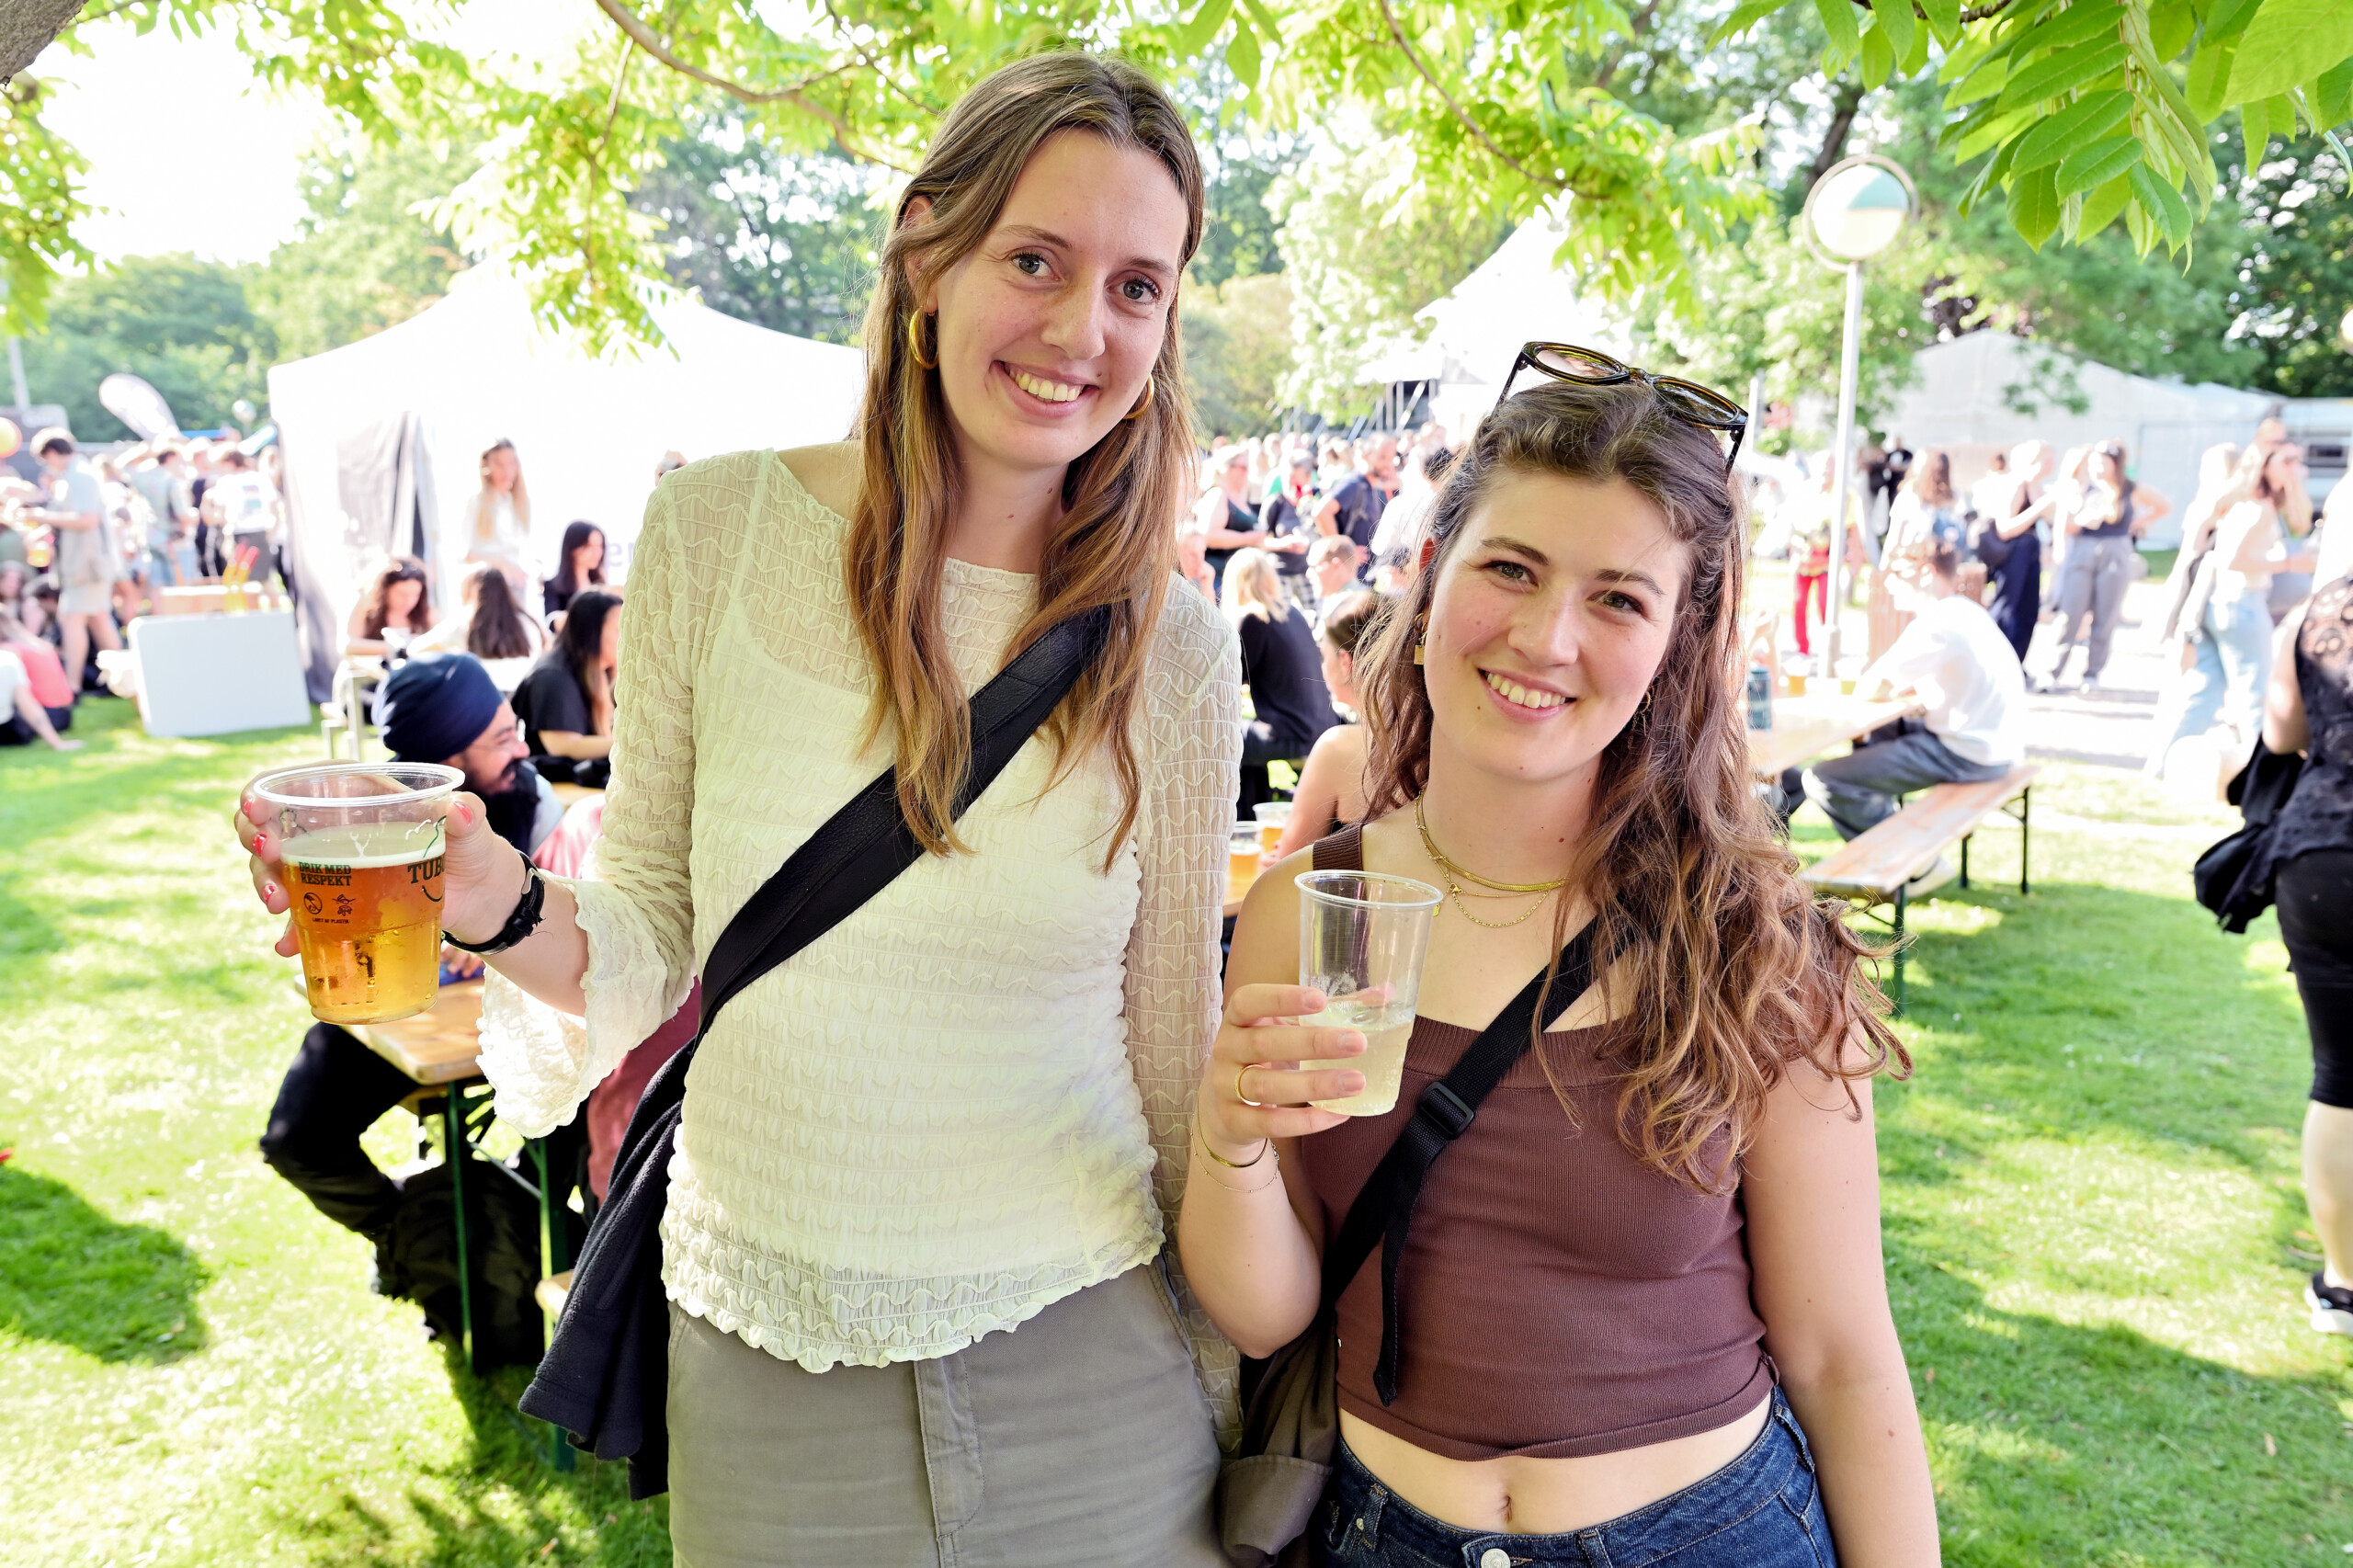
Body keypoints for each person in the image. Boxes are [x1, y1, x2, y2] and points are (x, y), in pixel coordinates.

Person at [239, 54, 1241, 1564]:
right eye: (1033, 259)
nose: (1079, 329)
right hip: (766, 1365)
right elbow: (647, 937)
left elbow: (1176, 1045)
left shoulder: (1176, 648)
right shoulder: (717, 529)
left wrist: (1219, 1381)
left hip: (1088, 1360)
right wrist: (487, 900)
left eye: (1136, 287)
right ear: (925, 254)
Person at [1180, 373, 1938, 1567]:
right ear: (1431, 568)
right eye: (1512, 568)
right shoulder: (1307, 908)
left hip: (1707, 1536)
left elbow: (1843, 1352)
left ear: (1677, 638)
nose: (1547, 637)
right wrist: (1226, 1139)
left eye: (1619, 597)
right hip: (1383, 1534)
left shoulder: (1751, 935)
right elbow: (1274, 1311)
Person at [254, 653, 567, 1346]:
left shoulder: (536, 802)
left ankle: (500, 1244)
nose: (520, 744)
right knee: (295, 1142)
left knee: (570, 1122)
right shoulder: (368, 828)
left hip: (511, 1023)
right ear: (441, 761)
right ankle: (428, 1237)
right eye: (496, 738)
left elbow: (573, 926)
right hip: (387, 1006)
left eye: (511, 725)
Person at [2256, 509, 2353, 1339]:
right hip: (2324, 856)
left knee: (2340, 1075)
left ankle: (2342, 1281)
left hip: (2324, 852)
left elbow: (2281, 732)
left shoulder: (2314, 617)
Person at [1800, 540, 2026, 890]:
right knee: (1880, 736)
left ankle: (1916, 865)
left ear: (1926, 573)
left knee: (1823, 778)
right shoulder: (1966, 611)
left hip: (1969, 754)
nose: (1888, 583)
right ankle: (1884, 819)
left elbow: (1869, 687)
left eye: (1896, 574)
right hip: (1995, 745)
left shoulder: (1937, 622)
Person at [2045, 442, 2169, 691]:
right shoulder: (2082, 488)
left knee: (2106, 614)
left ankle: (2092, 673)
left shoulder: (2129, 489)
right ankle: (2053, 670)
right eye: (2094, 461)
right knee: (2071, 611)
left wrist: (2136, 523)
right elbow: (2066, 525)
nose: (2097, 466)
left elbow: (2163, 506)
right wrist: (2082, 521)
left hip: (2115, 549)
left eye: (2103, 462)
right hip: (2083, 548)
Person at [1228, 545, 1339, 813]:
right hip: (1321, 725)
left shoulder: (1253, 619)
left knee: (1228, 734)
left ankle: (1244, 817)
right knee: (1243, 736)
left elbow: (1228, 682)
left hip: (1293, 734)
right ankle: (1255, 811)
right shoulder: (1293, 613)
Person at [1273, 587, 1382, 855]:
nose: (1322, 668)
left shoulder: (1340, 748)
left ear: (1346, 662)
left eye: (1324, 656)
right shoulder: (1438, 744)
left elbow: (1288, 866)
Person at [27, 431, 122, 699]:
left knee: (72, 618)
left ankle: (72, 686)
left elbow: (87, 519)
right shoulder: (75, 475)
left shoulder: (79, 475)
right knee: (98, 618)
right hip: (85, 562)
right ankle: (122, 679)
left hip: (86, 563)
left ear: (52, 453)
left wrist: (44, 516)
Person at [510, 587, 620, 761]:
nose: (626, 638)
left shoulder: (598, 671)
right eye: (618, 630)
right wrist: (630, 745)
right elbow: (563, 746)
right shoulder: (552, 677)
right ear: (592, 631)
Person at [1975, 438, 2056, 662]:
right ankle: (1995, 662)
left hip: (2030, 552)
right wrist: (2039, 508)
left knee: (2028, 611)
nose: (2051, 466)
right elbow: (2005, 529)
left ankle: (2016, 662)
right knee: (2007, 609)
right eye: (2047, 461)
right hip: (2014, 554)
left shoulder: (2034, 487)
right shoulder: (2015, 485)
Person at [410, 560, 547, 687]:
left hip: (484, 697)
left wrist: (451, 656)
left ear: (469, 592)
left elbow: (415, 649)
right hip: (524, 694)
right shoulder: (528, 622)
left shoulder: (465, 621)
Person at [1788, 460, 1867, 661]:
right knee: (1798, 604)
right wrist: (1794, 552)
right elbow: (1792, 526)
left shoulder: (1844, 495)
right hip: (1804, 560)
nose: (1825, 469)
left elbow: (1853, 529)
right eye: (1822, 464)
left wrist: (1855, 557)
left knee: (1826, 605)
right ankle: (1802, 649)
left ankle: (1827, 650)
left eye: (1830, 465)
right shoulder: (1802, 491)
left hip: (1827, 561)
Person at [1195, 445, 1270, 588]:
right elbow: (1208, 536)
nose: (1247, 472)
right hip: (1219, 580)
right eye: (1242, 467)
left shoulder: (1237, 496)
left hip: (1240, 579)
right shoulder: (1217, 494)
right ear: (1226, 468)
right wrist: (1247, 538)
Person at [465, 438, 533, 592]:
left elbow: (527, 551)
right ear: (487, 466)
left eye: (511, 463)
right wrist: (500, 563)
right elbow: (465, 554)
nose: (507, 471)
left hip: (518, 587)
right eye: (499, 464)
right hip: (488, 587)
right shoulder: (476, 503)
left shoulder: (521, 503)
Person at [1313, 437, 1386, 576]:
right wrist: (1343, 552)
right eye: (1383, 458)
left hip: (1363, 571)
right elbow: (1321, 512)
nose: (1389, 463)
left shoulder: (1371, 484)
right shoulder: (1354, 483)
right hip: (1350, 573)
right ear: (1367, 456)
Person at [346, 557, 437, 658]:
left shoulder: (425, 609)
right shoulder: (365, 604)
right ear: (384, 591)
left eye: (415, 594)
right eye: (402, 594)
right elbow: (348, 646)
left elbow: (444, 640)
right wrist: (400, 647)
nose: (409, 601)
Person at [1884, 449, 1961, 559]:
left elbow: (1894, 540)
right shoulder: (1954, 499)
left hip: (1914, 564)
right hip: (1943, 567)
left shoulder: (1909, 496)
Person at [541, 520, 608, 621]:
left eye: (600, 546)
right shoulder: (554, 587)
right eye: (589, 546)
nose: (597, 552)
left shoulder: (601, 585)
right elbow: (552, 623)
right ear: (573, 548)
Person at [1309, 534, 1362, 604]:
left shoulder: (1348, 607)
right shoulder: (1365, 597)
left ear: (1336, 565)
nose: (1308, 573)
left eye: (1314, 567)